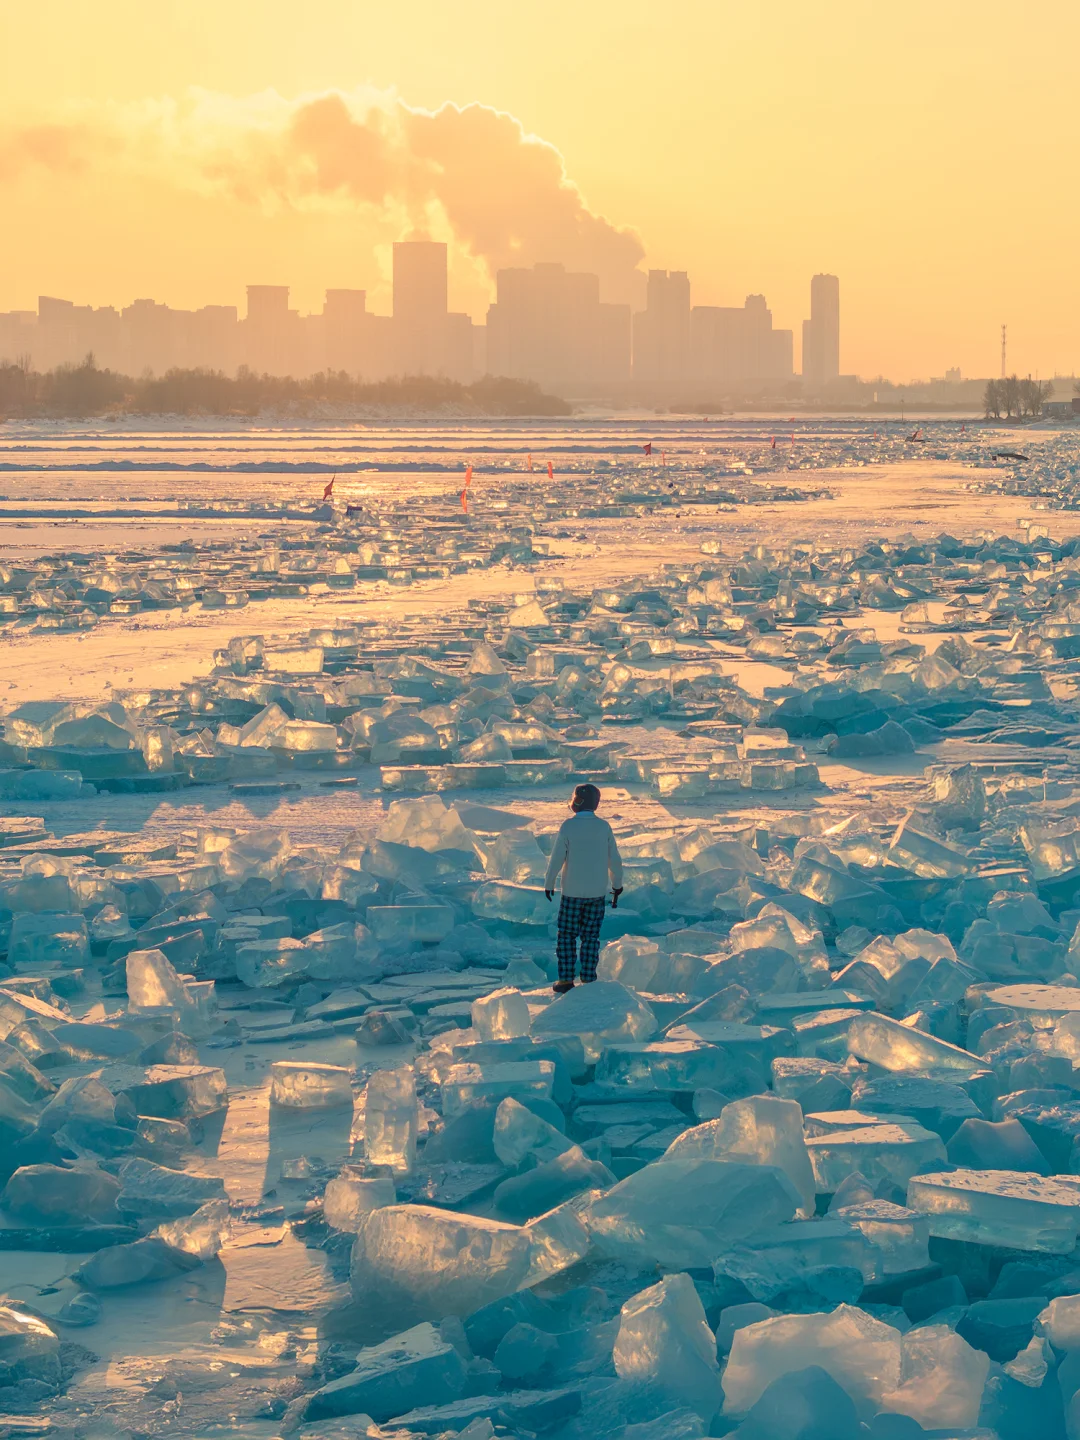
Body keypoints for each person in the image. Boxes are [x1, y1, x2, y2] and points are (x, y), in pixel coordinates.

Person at [544, 783, 623, 993]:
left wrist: (549, 882)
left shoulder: (568, 826)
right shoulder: (604, 827)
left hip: (571, 892)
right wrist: (617, 885)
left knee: (567, 936)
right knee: (591, 937)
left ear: (576, 802)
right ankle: (588, 979)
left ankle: (565, 980)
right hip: (597, 893)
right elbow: (614, 860)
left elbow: (556, 859)